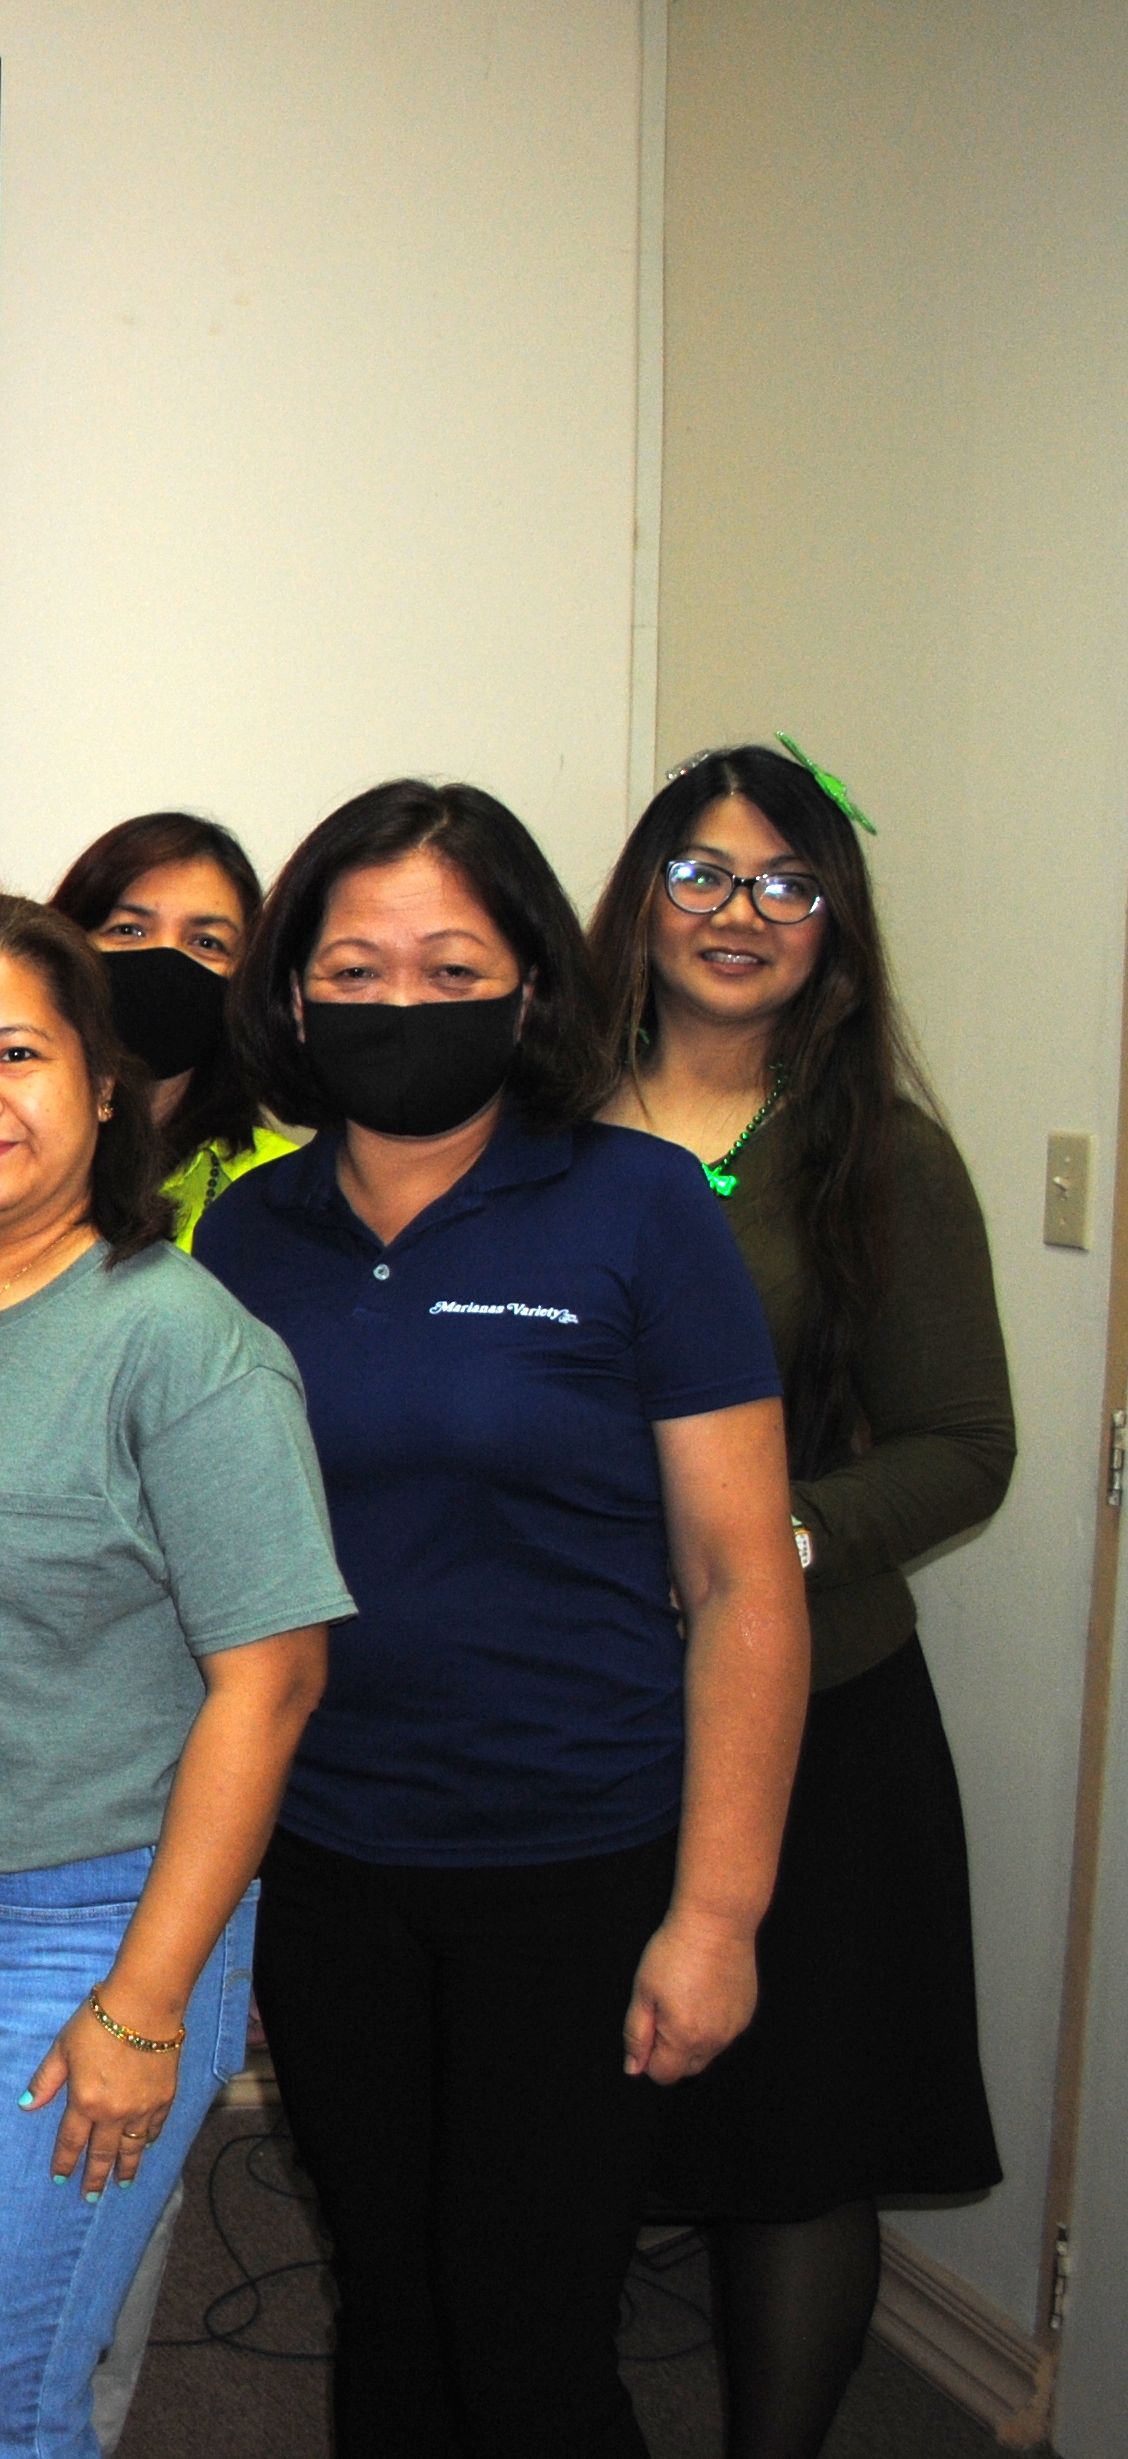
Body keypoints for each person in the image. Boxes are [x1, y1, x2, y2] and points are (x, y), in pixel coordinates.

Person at [192, 781, 811, 2459]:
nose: (399, 1003)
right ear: (296, 992)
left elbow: (744, 1578)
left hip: (576, 1866)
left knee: (529, 2332)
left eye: (448, 963)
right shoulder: (251, 1230)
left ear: (532, 981)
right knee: (383, 2301)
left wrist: (720, 1913)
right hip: (329, 1858)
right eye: (357, 967)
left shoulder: (635, 1208)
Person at [0, 893, 348, 2459]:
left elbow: (273, 1685)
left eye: (17, 1054)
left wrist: (150, 2006)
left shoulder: (179, 1338)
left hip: (68, 1946)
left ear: (102, 1087)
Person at [587, 745, 1012, 2459]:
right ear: (637, 900)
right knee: (576, 2122)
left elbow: (964, 1449)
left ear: (833, 926)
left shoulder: (877, 1157)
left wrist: (766, 1541)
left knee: (796, 2141)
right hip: (588, 1722)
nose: (738, 913)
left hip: (821, 1720)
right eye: (699, 873)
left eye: (785, 883)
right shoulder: (534, 1137)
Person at [49, 811, 301, 1249]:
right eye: (129, 929)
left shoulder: (282, 1189)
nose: (165, 961)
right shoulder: (2, 1150)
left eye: (207, 942)